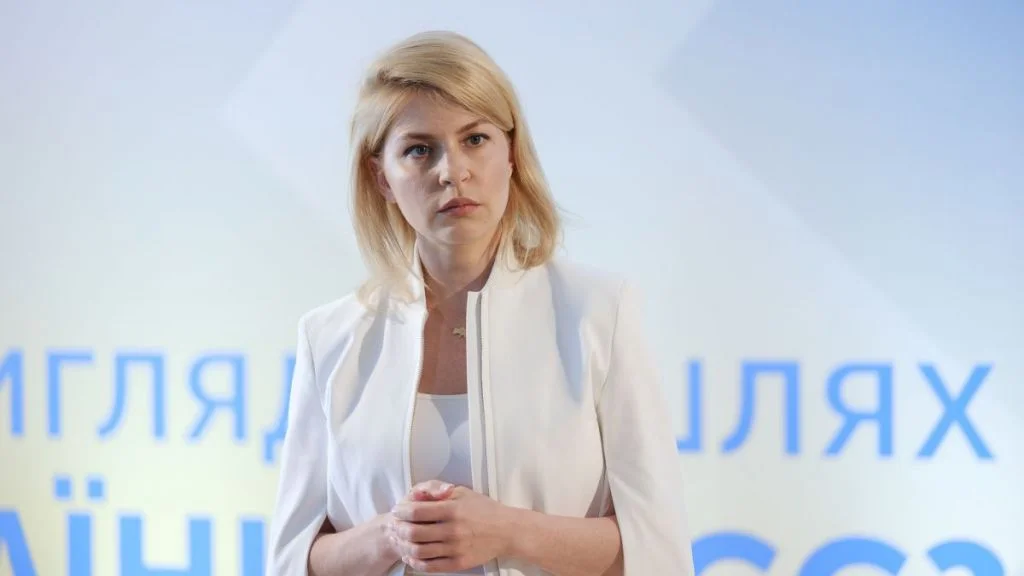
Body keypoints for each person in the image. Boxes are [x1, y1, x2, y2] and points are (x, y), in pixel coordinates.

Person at [265, 30, 694, 576]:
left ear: (511, 153)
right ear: (382, 178)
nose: (453, 171)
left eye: (475, 139)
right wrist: (393, 535)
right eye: (419, 150)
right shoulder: (328, 335)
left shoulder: (600, 312)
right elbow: (291, 562)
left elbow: (659, 550)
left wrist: (506, 531)